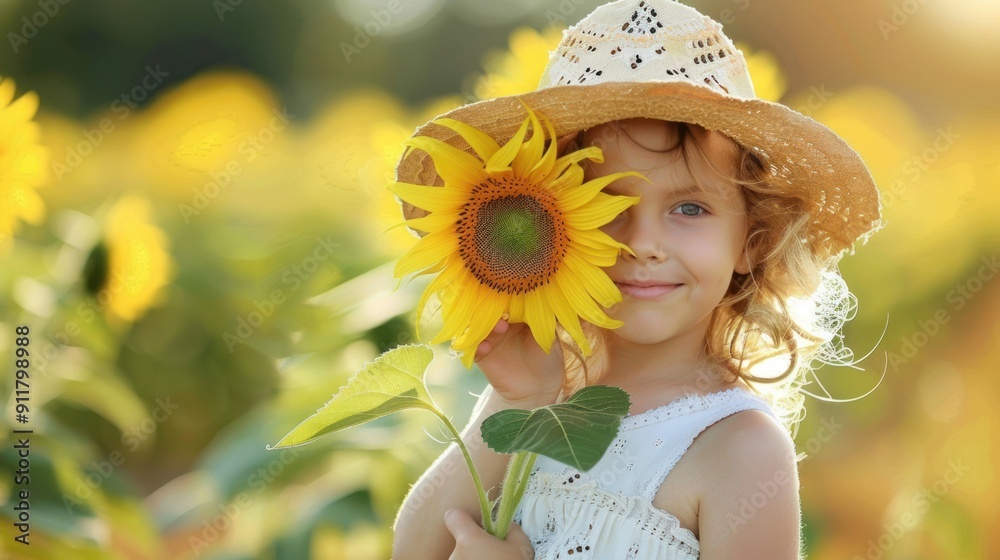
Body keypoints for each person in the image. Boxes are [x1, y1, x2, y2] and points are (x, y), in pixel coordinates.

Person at [391, 1, 883, 558]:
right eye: (603, 202)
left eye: (690, 209)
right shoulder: (544, 398)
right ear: (548, 221)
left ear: (753, 242)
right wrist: (515, 402)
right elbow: (414, 549)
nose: (642, 243)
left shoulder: (737, 449)